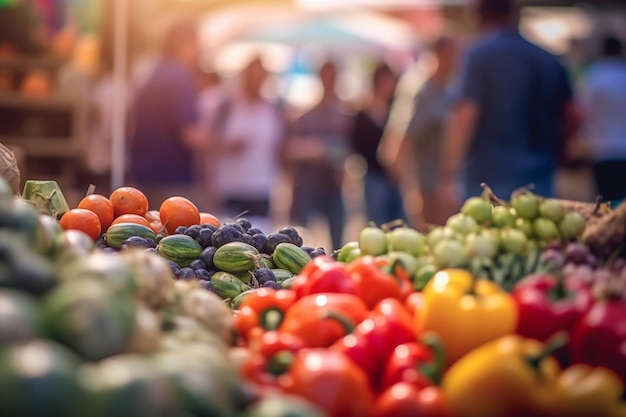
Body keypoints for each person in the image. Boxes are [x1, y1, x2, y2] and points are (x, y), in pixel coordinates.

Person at [437, 0, 578, 208]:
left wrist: (447, 174)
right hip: (539, 178)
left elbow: (465, 115)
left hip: (487, 181)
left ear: (478, 15)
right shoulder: (546, 58)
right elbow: (573, 115)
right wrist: (559, 153)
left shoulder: (476, 56)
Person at [128, 20, 207, 210]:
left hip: (143, 174)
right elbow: (189, 134)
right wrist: (225, 144)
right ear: (185, 43)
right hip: (171, 180)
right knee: (182, 235)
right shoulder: (179, 75)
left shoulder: (153, 72)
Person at [209, 57, 286, 232]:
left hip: (261, 188)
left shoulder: (273, 109)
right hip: (230, 188)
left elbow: (279, 150)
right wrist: (226, 146)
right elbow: (209, 141)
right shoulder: (227, 107)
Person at [283, 61, 352, 251]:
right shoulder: (306, 115)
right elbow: (290, 149)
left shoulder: (345, 114)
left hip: (333, 186)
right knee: (299, 240)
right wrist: (317, 149)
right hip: (308, 184)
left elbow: (349, 150)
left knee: (338, 245)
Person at [394, 35, 460, 226]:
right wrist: (409, 187)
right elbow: (405, 136)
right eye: (454, 53)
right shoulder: (424, 91)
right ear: (440, 54)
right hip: (428, 185)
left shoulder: (449, 88)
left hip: (445, 183)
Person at [349, 62, 405, 226]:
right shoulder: (364, 113)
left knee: (397, 224)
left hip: (395, 178)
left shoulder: (396, 109)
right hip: (374, 176)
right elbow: (357, 145)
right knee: (378, 224)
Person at [580, 35, 626, 203]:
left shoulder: (593, 76)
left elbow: (582, 110)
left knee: (605, 203)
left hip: (601, 148)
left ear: (602, 52)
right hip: (623, 148)